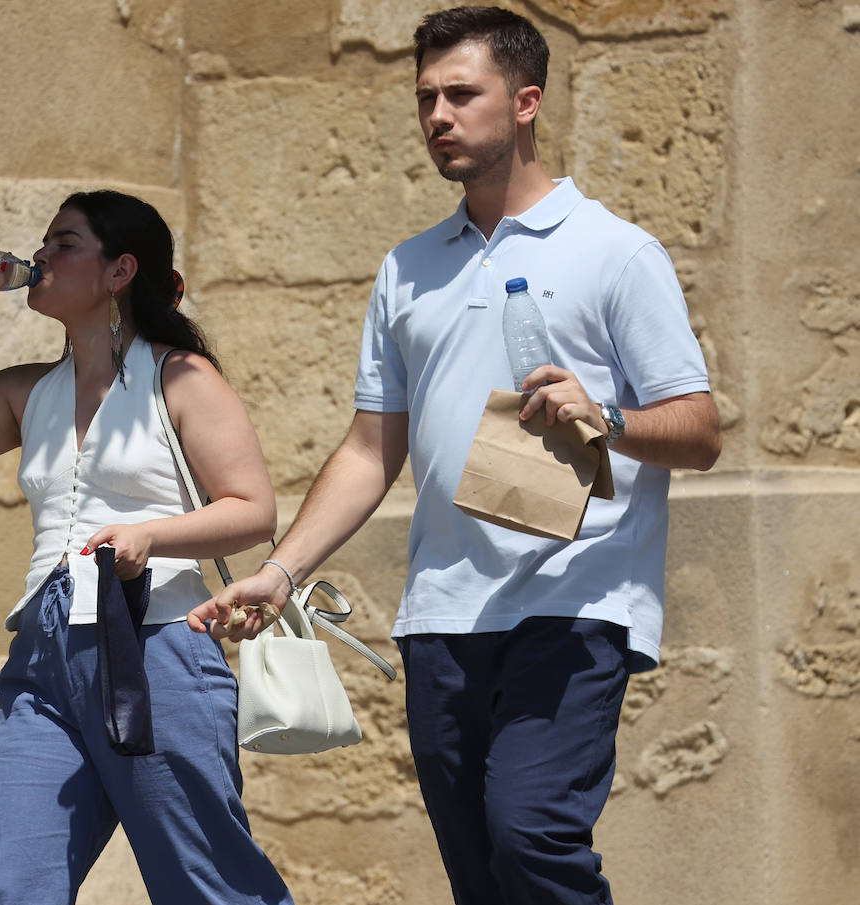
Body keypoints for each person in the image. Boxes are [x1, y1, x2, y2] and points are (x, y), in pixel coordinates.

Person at [188, 6, 722, 904]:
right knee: (482, 877)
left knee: (531, 837)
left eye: (460, 94)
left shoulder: (617, 254)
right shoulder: (408, 268)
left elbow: (700, 429)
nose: (437, 115)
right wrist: (280, 574)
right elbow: (369, 449)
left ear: (526, 102)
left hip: (577, 601)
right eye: (426, 97)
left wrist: (609, 418)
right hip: (442, 614)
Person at [0, 190, 293, 905]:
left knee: (208, 886)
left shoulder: (181, 376)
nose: (39, 257)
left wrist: (149, 534)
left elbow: (254, 510)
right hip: (43, 659)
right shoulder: (29, 391)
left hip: (153, 643)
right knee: (14, 888)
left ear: (119, 270)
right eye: (42, 244)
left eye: (63, 244)